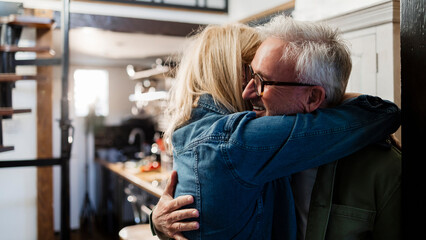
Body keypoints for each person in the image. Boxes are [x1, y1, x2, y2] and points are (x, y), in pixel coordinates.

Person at [150, 16, 401, 240]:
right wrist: (157, 223)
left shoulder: (381, 167)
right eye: (249, 74)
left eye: (259, 80)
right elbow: (383, 112)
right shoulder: (243, 143)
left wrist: (156, 223)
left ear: (313, 97)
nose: (247, 91)